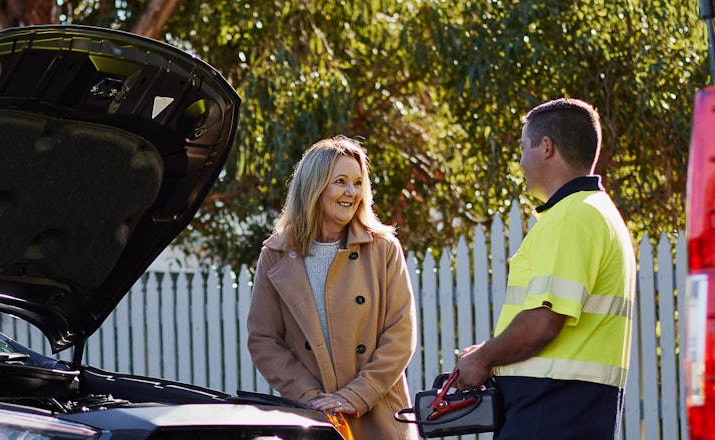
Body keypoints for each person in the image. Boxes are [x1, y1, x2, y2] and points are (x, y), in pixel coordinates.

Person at [453, 98, 636, 439]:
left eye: (523, 148)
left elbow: (542, 322)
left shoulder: (571, 217)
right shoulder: (596, 212)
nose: (521, 161)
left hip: (551, 409)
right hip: (574, 408)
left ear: (547, 147)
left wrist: (482, 359)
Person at [247, 135, 418, 440]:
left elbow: (400, 335)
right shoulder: (275, 254)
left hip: (378, 417)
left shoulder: (382, 248)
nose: (351, 192)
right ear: (314, 187)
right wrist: (309, 396)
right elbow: (264, 340)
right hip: (312, 420)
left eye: (357, 182)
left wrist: (356, 395)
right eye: (340, 181)